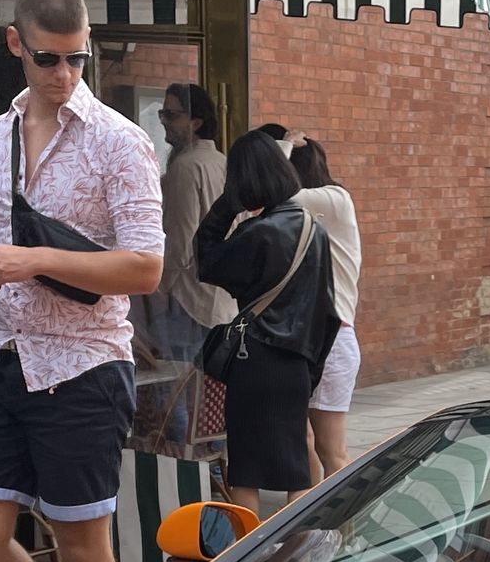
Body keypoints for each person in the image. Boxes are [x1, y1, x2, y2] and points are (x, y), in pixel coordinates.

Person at [0, 0, 164, 562]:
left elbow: (147, 266)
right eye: (48, 57)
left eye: (77, 57)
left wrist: (33, 259)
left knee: (81, 545)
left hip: (81, 365)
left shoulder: (118, 141)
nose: (65, 72)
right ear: (16, 43)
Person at [194, 125, 339, 513]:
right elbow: (329, 311)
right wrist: (311, 368)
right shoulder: (315, 229)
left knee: (247, 469)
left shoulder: (256, 233)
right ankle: (298, 555)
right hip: (297, 363)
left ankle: (245, 558)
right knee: (296, 468)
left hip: (254, 361)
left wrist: (228, 203)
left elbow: (205, 260)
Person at [288, 137, 362, 483]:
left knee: (332, 451)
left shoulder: (334, 200)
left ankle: (343, 531)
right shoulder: (300, 218)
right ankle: (311, 527)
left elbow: (272, 194)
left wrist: (281, 148)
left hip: (333, 339)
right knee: (303, 443)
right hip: (305, 339)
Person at [154, 82, 232, 361]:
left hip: (189, 299)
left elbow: (181, 239)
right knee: (206, 394)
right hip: (221, 296)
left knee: (175, 389)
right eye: (162, 114)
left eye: (172, 115)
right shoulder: (223, 162)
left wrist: (161, 287)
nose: (164, 121)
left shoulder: (186, 167)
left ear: (195, 122)